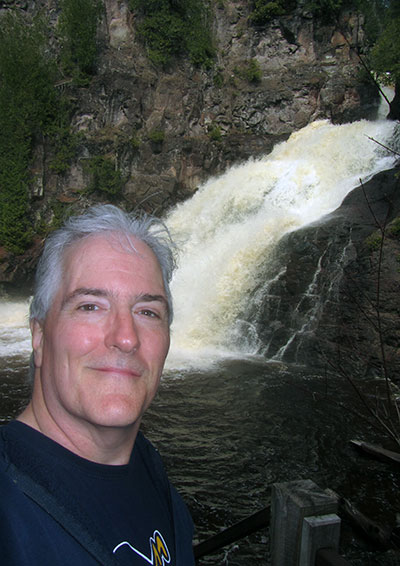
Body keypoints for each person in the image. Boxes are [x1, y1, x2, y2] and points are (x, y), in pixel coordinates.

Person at [0, 204, 195, 566]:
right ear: (39, 336)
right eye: (91, 306)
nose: (125, 338)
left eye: (148, 312)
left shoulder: (151, 472)